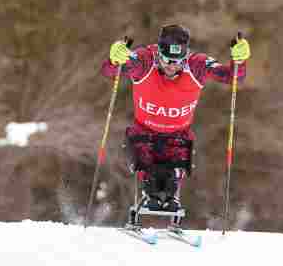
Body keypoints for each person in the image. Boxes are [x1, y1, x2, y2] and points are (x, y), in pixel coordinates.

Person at [101, 24, 251, 214]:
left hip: (178, 135)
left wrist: (240, 60)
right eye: (166, 60)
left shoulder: (197, 65)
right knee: (148, 173)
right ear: (159, 52)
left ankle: (172, 199)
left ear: (185, 54)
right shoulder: (145, 60)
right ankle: (149, 197)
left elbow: (233, 77)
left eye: (177, 61)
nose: (172, 66)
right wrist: (115, 60)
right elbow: (110, 72)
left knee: (172, 177)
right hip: (144, 132)